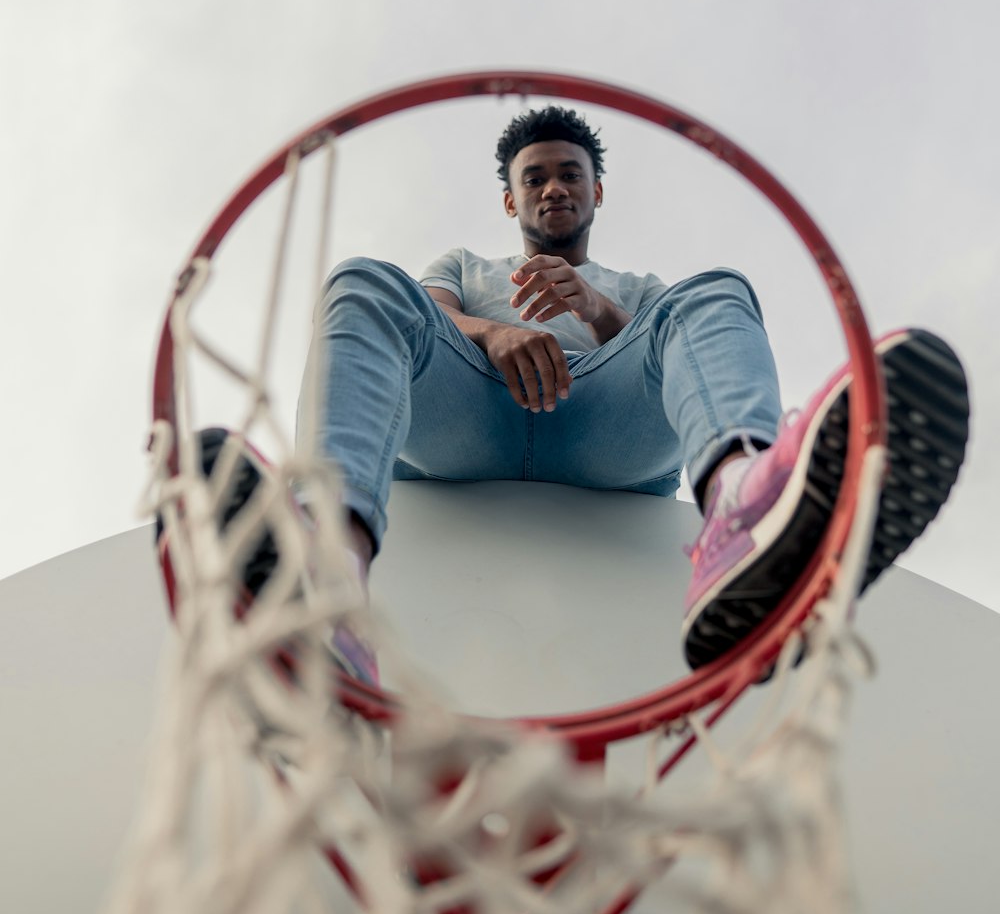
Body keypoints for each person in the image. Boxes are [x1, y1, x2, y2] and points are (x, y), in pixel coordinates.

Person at [187, 105, 969, 681]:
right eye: (536, 177)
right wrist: (494, 334)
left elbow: (661, 349)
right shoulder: (463, 265)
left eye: (570, 174)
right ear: (511, 201)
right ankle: (328, 569)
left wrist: (594, 309)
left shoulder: (639, 291)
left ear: (598, 192)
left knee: (713, 293)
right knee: (365, 282)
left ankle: (742, 513)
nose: (554, 187)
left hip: (606, 434)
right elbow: (430, 311)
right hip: (472, 419)